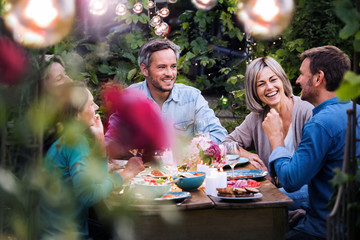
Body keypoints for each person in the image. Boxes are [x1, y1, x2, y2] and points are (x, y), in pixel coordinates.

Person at [262, 46, 360, 239]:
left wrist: (276, 139)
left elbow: (291, 180)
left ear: (318, 78)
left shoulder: (321, 124)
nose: (297, 80)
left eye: (301, 74)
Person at [40, 82, 145, 240]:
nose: (96, 107)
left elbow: (95, 182)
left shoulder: (65, 139)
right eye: (90, 104)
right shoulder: (75, 143)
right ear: (76, 114)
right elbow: (89, 195)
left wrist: (100, 139)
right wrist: (125, 174)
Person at [105, 38, 227, 159]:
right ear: (145, 70)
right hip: (143, 174)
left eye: (173, 66)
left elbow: (218, 134)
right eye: (162, 67)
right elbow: (111, 141)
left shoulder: (192, 97)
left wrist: (191, 151)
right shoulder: (130, 98)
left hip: (184, 173)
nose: (169, 73)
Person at [222, 57, 313, 209]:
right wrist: (249, 155)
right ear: (254, 91)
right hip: (272, 193)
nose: (269, 87)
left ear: (282, 80)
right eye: (261, 84)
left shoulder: (307, 111)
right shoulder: (257, 118)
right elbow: (225, 145)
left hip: (305, 192)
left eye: (273, 79)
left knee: (255, 203)